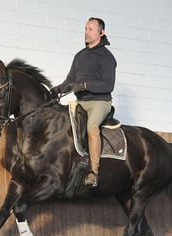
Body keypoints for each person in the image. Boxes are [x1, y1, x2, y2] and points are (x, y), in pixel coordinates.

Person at [51, 17, 117, 188]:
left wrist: (84, 85)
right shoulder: (80, 56)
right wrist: (56, 90)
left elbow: (109, 85)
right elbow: (70, 80)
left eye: (91, 29)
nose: (86, 32)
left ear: (101, 33)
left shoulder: (107, 57)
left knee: (92, 129)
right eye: (86, 28)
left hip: (99, 102)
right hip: (80, 101)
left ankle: (93, 172)